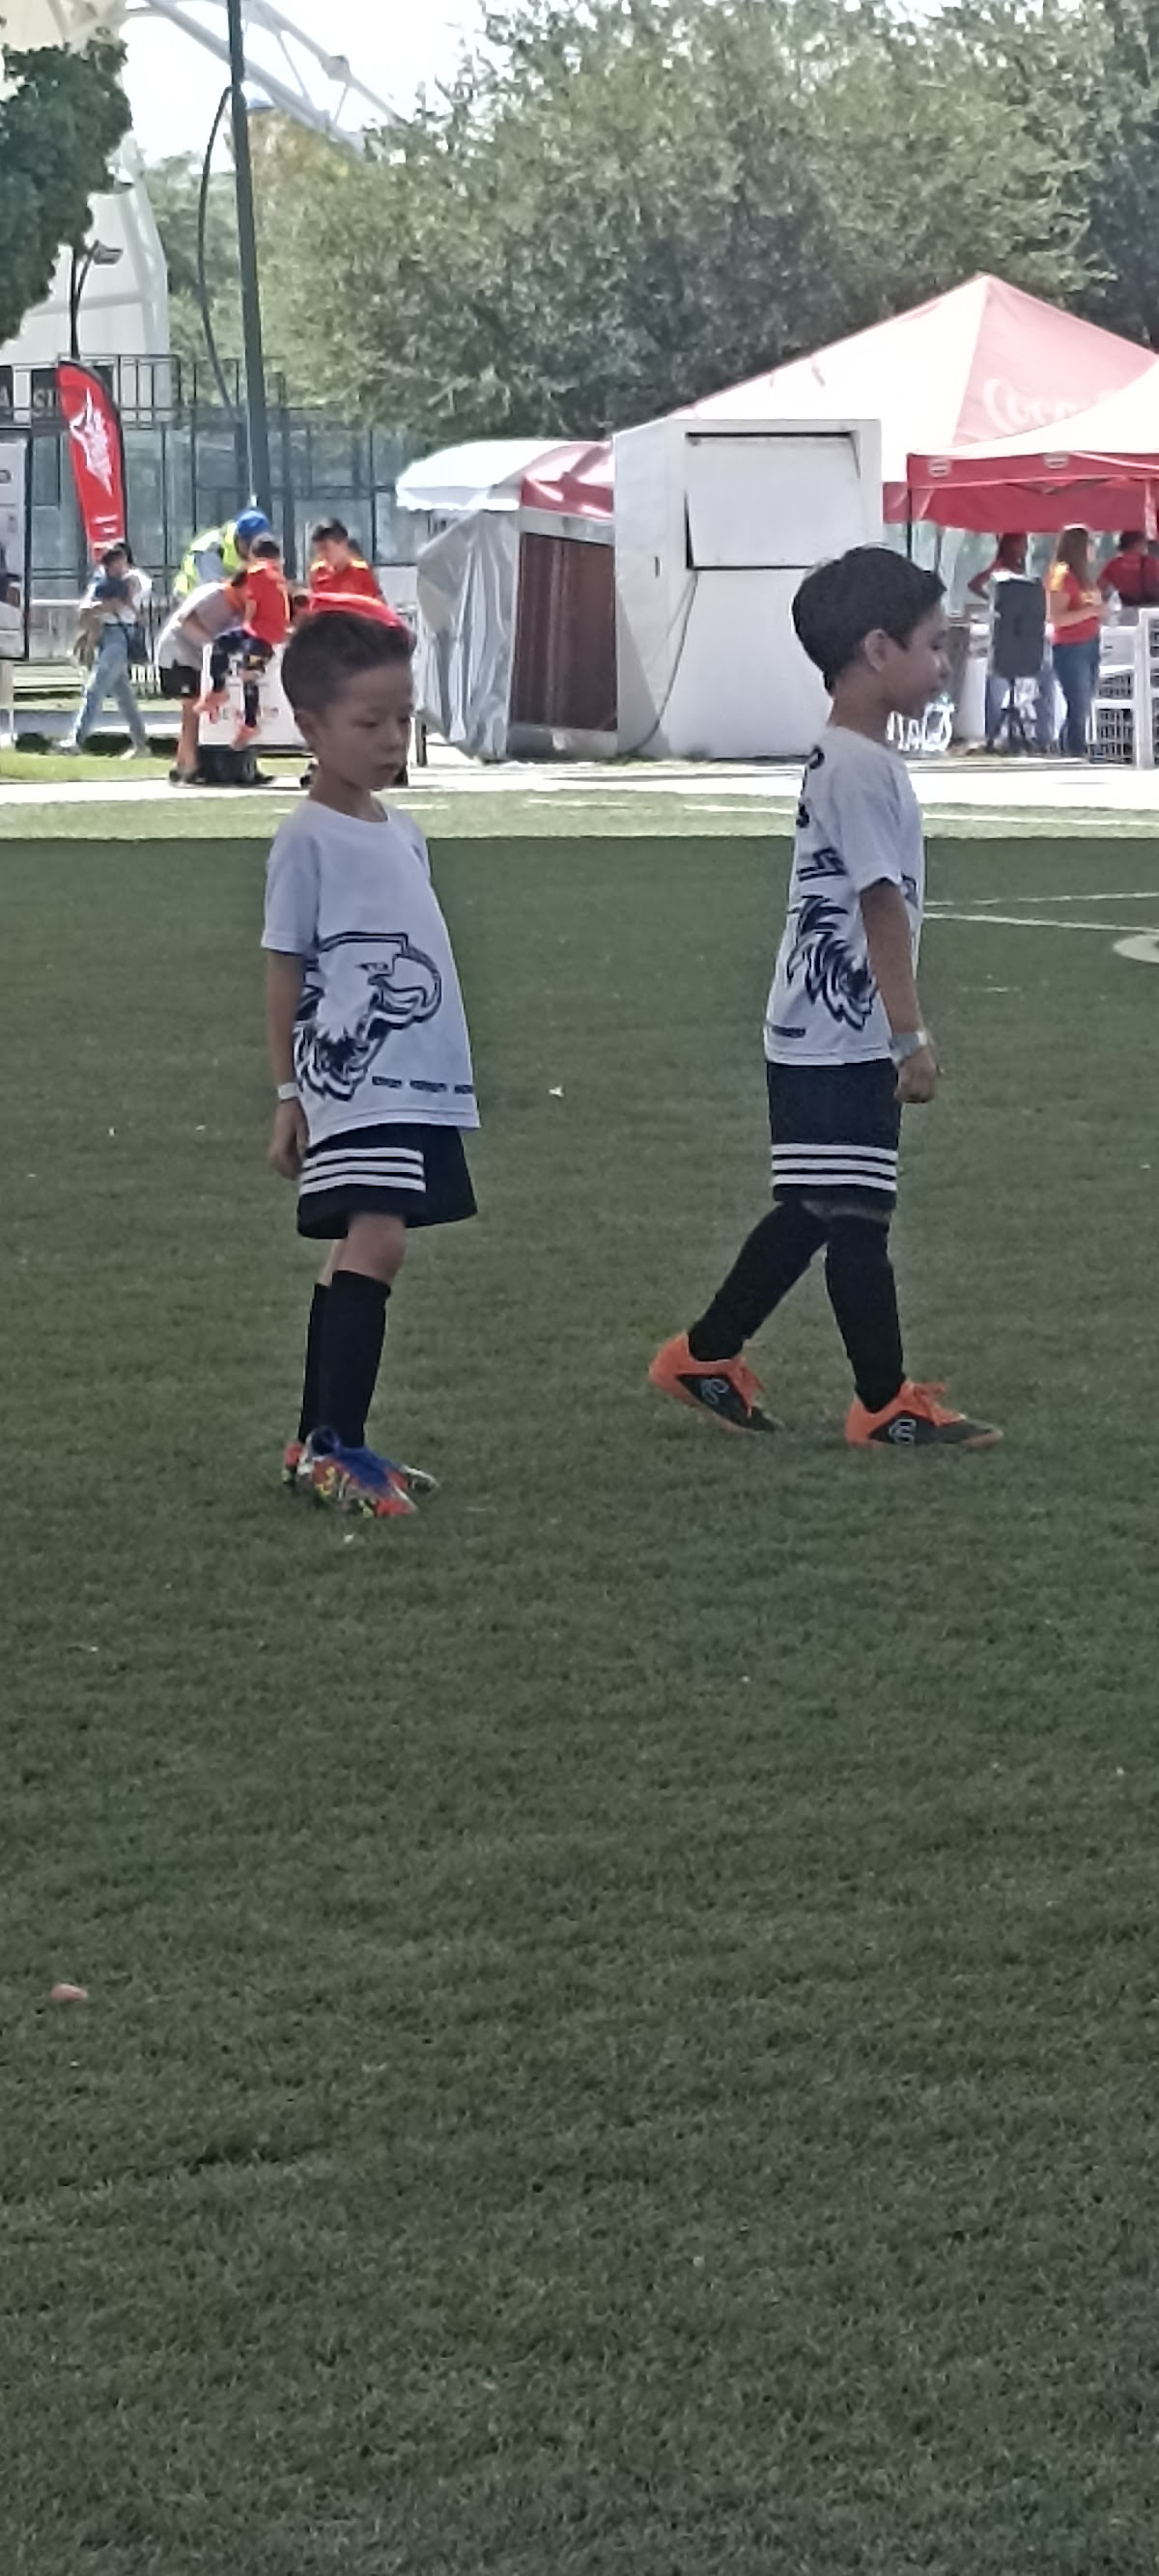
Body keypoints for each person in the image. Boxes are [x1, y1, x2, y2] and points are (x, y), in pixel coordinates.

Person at [649, 546, 1000, 1451]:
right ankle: (882, 1404)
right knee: (857, 1215)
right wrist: (907, 1035)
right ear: (879, 650)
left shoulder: (850, 759)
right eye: (932, 644)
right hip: (841, 1035)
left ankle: (704, 1354)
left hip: (814, 1028)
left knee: (819, 1208)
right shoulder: (857, 768)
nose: (943, 663)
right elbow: (879, 904)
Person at [263, 609, 479, 1517]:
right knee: (379, 1241)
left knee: (359, 1244)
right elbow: (284, 965)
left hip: (414, 1078)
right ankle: (338, 1447)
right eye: (369, 722)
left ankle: (315, 1441)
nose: (392, 738)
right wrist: (288, 1092)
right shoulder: (306, 838)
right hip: (354, 1082)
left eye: (403, 718)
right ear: (311, 727)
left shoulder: (403, 829)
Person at [64, 541, 151, 759]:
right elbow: (86, 606)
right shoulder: (104, 579)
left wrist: (97, 606)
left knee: (96, 688)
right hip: (106, 634)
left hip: (118, 636)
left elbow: (116, 603)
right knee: (124, 697)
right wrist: (98, 606)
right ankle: (141, 743)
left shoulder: (134, 578)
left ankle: (76, 740)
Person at [968, 533, 1054, 751]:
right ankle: (1007, 734)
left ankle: (1040, 734)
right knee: (1001, 682)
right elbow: (975, 583)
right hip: (1006, 639)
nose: (1026, 549)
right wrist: (993, 601)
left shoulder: (1021, 572)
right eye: (1023, 544)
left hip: (1020, 638)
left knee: (1038, 676)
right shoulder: (999, 569)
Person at [202, 534, 290, 745]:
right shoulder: (277, 576)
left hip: (264, 634)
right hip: (259, 630)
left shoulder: (258, 572)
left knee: (245, 666)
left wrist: (247, 625)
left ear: (252, 555)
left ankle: (249, 722)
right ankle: (219, 691)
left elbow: (252, 605)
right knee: (223, 643)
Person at [154, 578, 240, 782]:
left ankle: (182, 764)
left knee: (192, 713)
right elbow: (185, 619)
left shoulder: (238, 610)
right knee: (191, 709)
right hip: (177, 655)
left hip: (196, 660)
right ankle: (190, 766)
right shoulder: (214, 593)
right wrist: (214, 643)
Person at [1047, 526, 1103, 760]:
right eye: (1090, 543)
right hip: (1070, 647)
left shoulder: (1084, 577)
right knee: (1077, 703)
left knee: (1084, 702)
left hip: (1090, 643)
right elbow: (1056, 617)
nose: (1093, 549)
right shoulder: (1060, 574)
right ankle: (1075, 751)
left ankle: (1068, 749)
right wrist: (1091, 612)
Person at [173, 507, 271, 598]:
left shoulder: (258, 556)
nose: (255, 550)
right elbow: (215, 596)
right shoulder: (210, 550)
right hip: (188, 604)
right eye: (250, 544)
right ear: (239, 538)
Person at [307, 518, 384, 607]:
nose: (322, 554)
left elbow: (379, 608)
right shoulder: (317, 573)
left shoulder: (362, 572)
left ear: (343, 544)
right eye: (319, 550)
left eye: (325, 548)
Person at [1098, 529, 1159, 610]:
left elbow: (1101, 586)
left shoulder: (1114, 564)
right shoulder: (1151, 563)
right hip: (1152, 608)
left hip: (1127, 609)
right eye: (1144, 542)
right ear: (1137, 544)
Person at [0, 575, 21, 748]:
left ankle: (10, 730)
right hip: (7, 653)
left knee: (6, 692)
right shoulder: (11, 612)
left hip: (6, 655)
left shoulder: (10, 612)